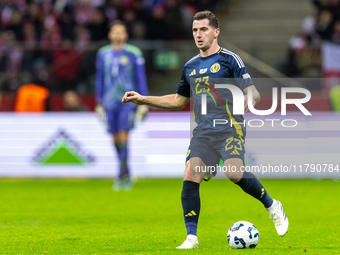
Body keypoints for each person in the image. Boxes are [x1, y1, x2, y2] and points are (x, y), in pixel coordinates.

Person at [122, 10, 289, 248]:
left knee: (234, 173)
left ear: (216, 32)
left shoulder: (230, 60)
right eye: (194, 30)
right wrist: (143, 99)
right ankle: (192, 237)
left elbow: (253, 92)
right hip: (203, 132)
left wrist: (247, 100)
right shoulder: (190, 66)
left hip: (230, 128)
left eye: (203, 30)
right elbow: (179, 101)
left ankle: (272, 205)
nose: (198, 35)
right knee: (191, 173)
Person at [96, 21, 148, 190]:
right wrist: (98, 102)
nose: (118, 34)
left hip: (128, 102)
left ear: (125, 35)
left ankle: (121, 175)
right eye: (115, 31)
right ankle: (126, 172)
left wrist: (143, 102)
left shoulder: (134, 53)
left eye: (121, 32)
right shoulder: (103, 54)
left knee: (124, 136)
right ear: (110, 35)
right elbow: (100, 79)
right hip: (110, 102)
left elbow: (140, 78)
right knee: (114, 138)